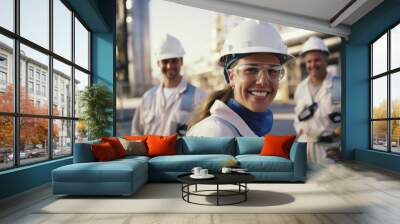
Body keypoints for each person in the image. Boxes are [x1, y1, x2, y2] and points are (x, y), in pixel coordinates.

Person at [187, 20, 294, 137]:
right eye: (251, 70)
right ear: (231, 77)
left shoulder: (249, 127)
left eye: (273, 71)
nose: (263, 81)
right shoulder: (214, 133)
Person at [131, 34, 207, 136]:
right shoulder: (147, 98)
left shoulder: (199, 96)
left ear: (181, 61)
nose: (169, 66)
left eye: (174, 61)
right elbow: (136, 133)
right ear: (158, 63)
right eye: (165, 61)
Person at [293, 36, 341, 164]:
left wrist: (343, 149)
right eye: (309, 61)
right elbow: (297, 118)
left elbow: (351, 121)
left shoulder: (339, 85)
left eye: (317, 60)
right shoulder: (300, 88)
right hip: (305, 148)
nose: (312, 65)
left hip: (330, 150)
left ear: (326, 59)